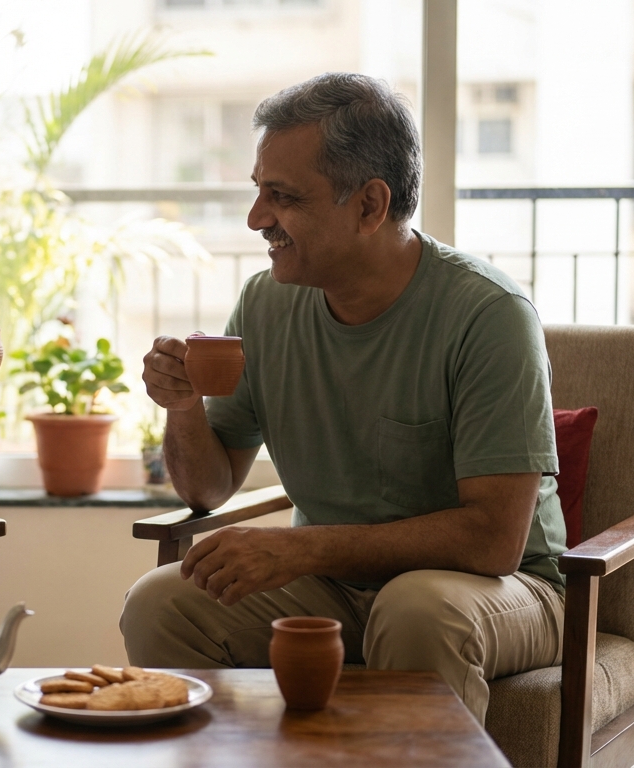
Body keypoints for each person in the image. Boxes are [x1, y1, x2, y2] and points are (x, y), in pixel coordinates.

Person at [121, 73, 567, 723]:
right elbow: (207, 490)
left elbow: (494, 539)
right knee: (159, 603)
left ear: (369, 205)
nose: (256, 219)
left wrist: (300, 549)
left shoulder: (488, 315)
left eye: (283, 197)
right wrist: (182, 405)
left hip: (504, 588)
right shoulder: (266, 303)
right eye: (258, 192)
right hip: (338, 589)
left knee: (415, 610)